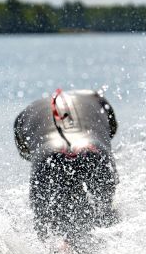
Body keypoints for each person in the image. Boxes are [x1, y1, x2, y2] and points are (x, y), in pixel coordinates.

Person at [14, 89, 118, 244]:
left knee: (47, 237)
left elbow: (25, 153)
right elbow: (111, 131)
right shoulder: (97, 98)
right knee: (106, 224)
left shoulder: (24, 115)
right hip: (95, 151)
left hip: (47, 157)